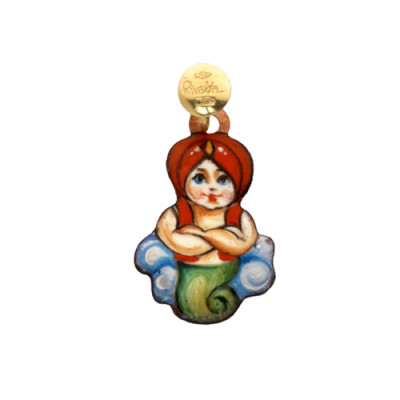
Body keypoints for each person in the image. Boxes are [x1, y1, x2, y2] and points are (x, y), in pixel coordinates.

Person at [135, 117, 275, 324]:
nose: (212, 188)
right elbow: (171, 238)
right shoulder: (175, 215)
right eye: (200, 179)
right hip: (188, 272)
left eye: (223, 179)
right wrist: (219, 238)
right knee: (191, 299)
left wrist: (202, 234)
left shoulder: (239, 217)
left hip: (225, 272)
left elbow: (244, 242)